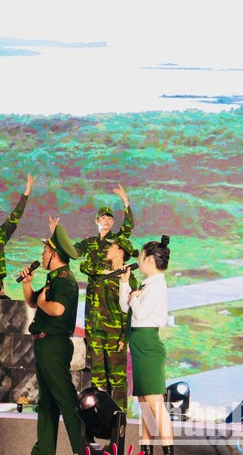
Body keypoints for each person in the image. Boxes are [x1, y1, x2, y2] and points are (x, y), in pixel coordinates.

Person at [20, 224, 84, 455]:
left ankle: (84, 448)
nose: (42, 255)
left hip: (54, 344)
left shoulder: (65, 279)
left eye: (45, 251)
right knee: (47, 403)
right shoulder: (54, 278)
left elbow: (56, 309)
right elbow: (33, 302)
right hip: (44, 343)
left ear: (54, 254)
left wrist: (43, 303)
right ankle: (44, 450)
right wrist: (27, 283)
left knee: (66, 399)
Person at [72, 185, 133, 400]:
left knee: (115, 373)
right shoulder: (90, 242)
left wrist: (126, 202)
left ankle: (118, 413)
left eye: (110, 218)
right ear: (96, 220)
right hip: (94, 308)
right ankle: (99, 409)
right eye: (103, 218)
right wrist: (55, 237)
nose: (106, 221)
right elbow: (75, 255)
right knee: (96, 368)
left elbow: (128, 227)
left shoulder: (117, 242)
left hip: (112, 311)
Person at [119, 236, 174, 455]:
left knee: (155, 404)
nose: (139, 260)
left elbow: (140, 314)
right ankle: (146, 451)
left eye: (141, 256)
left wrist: (133, 297)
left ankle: (168, 452)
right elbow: (126, 309)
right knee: (145, 405)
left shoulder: (157, 286)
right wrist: (125, 284)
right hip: (140, 346)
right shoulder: (148, 284)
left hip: (148, 346)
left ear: (150, 259)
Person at [93, 235, 139, 411]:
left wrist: (124, 337)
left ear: (120, 252)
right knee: (98, 377)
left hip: (115, 333)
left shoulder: (129, 279)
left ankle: (119, 418)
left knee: (117, 379)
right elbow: (85, 266)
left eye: (112, 247)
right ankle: (99, 415)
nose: (109, 249)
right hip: (97, 330)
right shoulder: (102, 270)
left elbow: (130, 310)